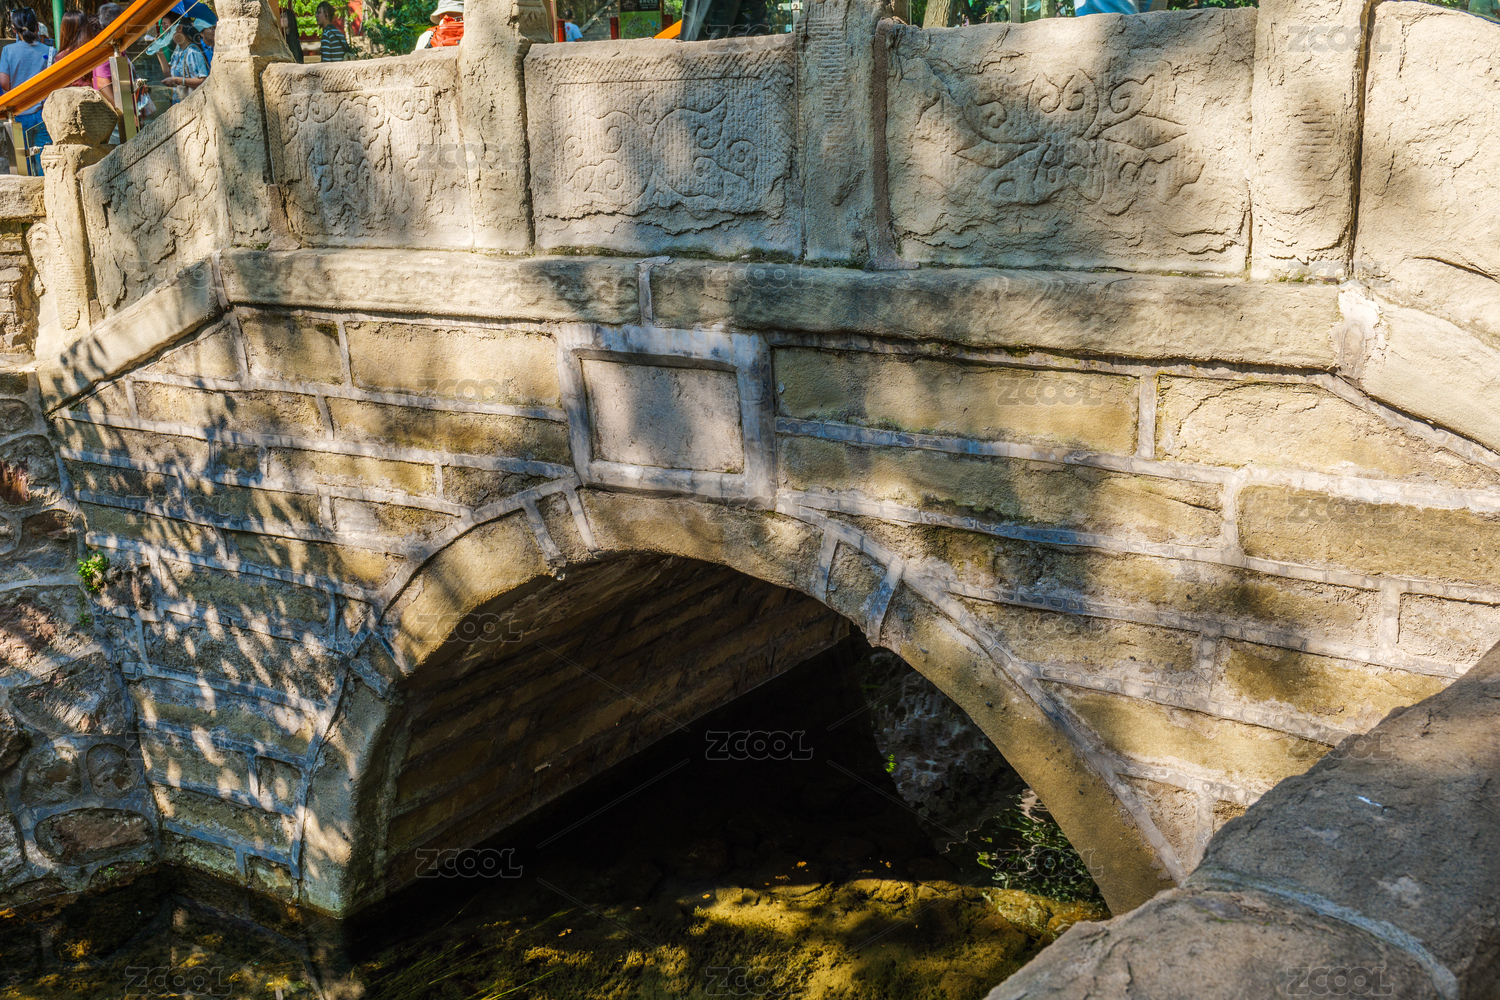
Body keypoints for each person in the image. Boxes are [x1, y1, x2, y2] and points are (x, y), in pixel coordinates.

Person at [0, 9, 54, 173]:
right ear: (37, 27)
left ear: (14, 30)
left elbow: (4, 83)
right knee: (44, 160)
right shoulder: (50, 51)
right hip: (43, 112)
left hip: (17, 112)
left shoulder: (8, 51)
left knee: (22, 163)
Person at [57, 11, 113, 105]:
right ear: (86, 28)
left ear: (64, 30)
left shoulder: (60, 57)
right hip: (96, 104)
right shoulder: (95, 52)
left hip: (71, 105)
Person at [157, 18, 209, 103]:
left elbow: (203, 80)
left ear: (179, 28)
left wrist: (177, 80)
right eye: (162, 26)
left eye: (165, 25)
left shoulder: (193, 52)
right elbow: (168, 73)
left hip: (192, 104)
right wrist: (159, 52)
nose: (163, 29)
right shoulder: (178, 49)